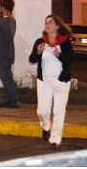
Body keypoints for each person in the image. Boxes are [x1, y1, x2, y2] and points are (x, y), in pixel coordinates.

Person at [28, 15, 74, 150]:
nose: (47, 25)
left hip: (61, 81)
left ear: (57, 26)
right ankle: (46, 126)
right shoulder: (41, 41)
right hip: (44, 81)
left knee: (59, 111)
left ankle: (55, 139)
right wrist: (37, 52)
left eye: (50, 22)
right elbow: (32, 59)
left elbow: (70, 59)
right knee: (42, 111)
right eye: (46, 22)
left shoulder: (65, 42)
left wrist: (58, 55)